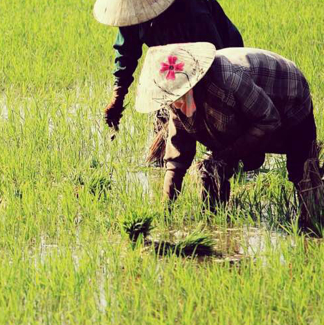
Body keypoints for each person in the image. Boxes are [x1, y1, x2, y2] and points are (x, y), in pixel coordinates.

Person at [133, 41, 322, 234]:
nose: (176, 106)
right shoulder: (178, 102)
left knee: (301, 168)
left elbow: (268, 120)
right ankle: (215, 224)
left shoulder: (227, 81)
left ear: (190, 86)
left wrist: (230, 153)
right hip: (246, 109)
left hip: (288, 95)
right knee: (212, 167)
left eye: (179, 99)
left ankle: (315, 225)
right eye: (172, 102)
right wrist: (166, 210)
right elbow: (177, 159)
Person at [93, 0, 244, 159]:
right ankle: (163, 160)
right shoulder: (132, 10)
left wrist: (191, 99)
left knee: (217, 118)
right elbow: (126, 52)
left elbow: (213, 57)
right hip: (170, 62)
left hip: (219, 57)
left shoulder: (192, 4)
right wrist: (118, 96)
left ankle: (223, 161)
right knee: (165, 116)